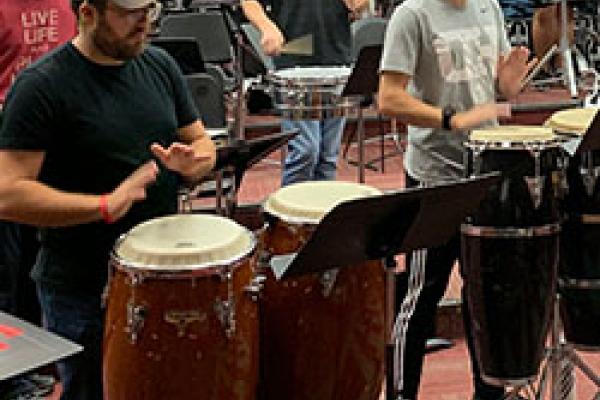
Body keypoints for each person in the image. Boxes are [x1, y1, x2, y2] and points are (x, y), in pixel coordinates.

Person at [0, 0, 216, 398]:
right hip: (82, 287)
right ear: (88, 13)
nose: (144, 23)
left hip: (161, 274)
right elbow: (8, 192)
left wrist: (194, 163)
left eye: (149, 10)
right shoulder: (41, 86)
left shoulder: (161, 66)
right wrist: (103, 205)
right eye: (130, 12)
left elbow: (200, 141)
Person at [378, 0, 536, 399]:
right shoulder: (412, 14)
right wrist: (448, 118)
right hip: (435, 175)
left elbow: (499, 90)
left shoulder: (489, 7)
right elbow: (389, 99)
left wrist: (508, 83)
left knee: (484, 294)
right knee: (420, 296)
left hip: (486, 170)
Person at [0, 1, 76, 398]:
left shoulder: (67, 5)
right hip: (6, 156)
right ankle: (9, 378)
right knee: (4, 273)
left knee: (36, 266)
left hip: (53, 153)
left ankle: (33, 363)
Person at [242, 0, 368, 186]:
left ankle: (322, 212)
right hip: (294, 64)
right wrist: (267, 27)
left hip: (336, 59)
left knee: (328, 157)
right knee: (305, 151)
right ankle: (289, 212)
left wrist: (359, 6)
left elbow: (359, 5)